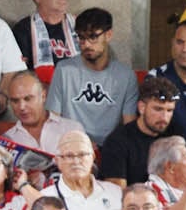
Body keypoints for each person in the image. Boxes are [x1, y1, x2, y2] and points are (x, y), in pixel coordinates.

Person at [46, 9, 137, 149]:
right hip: (71, 146)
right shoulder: (64, 70)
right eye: (81, 38)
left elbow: (129, 128)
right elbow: (53, 121)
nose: (86, 44)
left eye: (93, 37)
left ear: (108, 35)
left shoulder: (126, 76)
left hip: (110, 149)